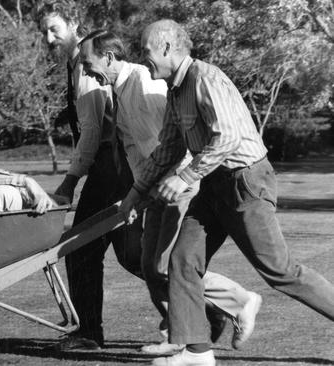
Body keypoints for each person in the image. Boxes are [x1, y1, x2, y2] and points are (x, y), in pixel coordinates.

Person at [119, 19, 334, 366]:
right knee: (183, 261)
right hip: (215, 185)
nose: (144, 60)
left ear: (166, 48)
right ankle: (197, 353)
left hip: (245, 182)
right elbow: (169, 148)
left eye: (146, 52)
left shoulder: (206, 78)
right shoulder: (176, 90)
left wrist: (185, 176)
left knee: (280, 271)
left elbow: (228, 138)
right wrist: (136, 192)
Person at [77, 29, 263, 355]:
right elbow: (144, 152)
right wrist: (137, 193)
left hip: (179, 187)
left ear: (107, 57)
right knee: (150, 267)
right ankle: (180, 333)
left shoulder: (144, 85)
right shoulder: (121, 91)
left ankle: (234, 304)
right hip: (155, 191)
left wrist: (179, 182)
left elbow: (174, 145)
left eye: (88, 62)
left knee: (167, 267)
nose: (86, 70)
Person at [39, 2, 143, 351]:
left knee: (79, 249)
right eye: (44, 31)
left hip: (111, 172)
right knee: (134, 257)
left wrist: (69, 181)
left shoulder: (88, 68)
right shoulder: (77, 65)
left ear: (74, 23)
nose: (48, 37)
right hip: (114, 172)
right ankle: (220, 304)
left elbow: (93, 132)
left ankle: (89, 335)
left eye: (54, 29)